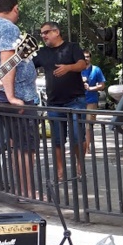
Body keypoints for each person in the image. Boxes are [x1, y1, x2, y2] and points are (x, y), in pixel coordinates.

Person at [0, 0, 40, 193]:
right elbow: (7, 63)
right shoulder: (9, 28)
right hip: (18, 97)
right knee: (26, 148)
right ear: (15, 8)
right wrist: (12, 96)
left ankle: (20, 189)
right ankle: (27, 191)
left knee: (17, 146)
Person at [32, 22, 87, 180]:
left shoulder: (72, 47)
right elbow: (28, 66)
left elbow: (82, 64)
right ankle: (60, 171)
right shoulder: (42, 52)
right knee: (57, 139)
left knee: (77, 136)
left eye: (46, 32)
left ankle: (79, 166)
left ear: (57, 32)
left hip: (75, 99)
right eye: (41, 33)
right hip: (54, 102)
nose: (43, 36)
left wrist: (68, 68)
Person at [82, 48, 106, 155]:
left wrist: (91, 88)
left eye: (87, 56)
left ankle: (87, 148)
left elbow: (102, 85)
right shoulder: (77, 70)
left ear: (90, 58)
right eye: (84, 57)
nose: (86, 59)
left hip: (91, 101)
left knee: (88, 126)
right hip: (78, 102)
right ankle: (79, 147)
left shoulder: (96, 70)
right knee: (77, 125)